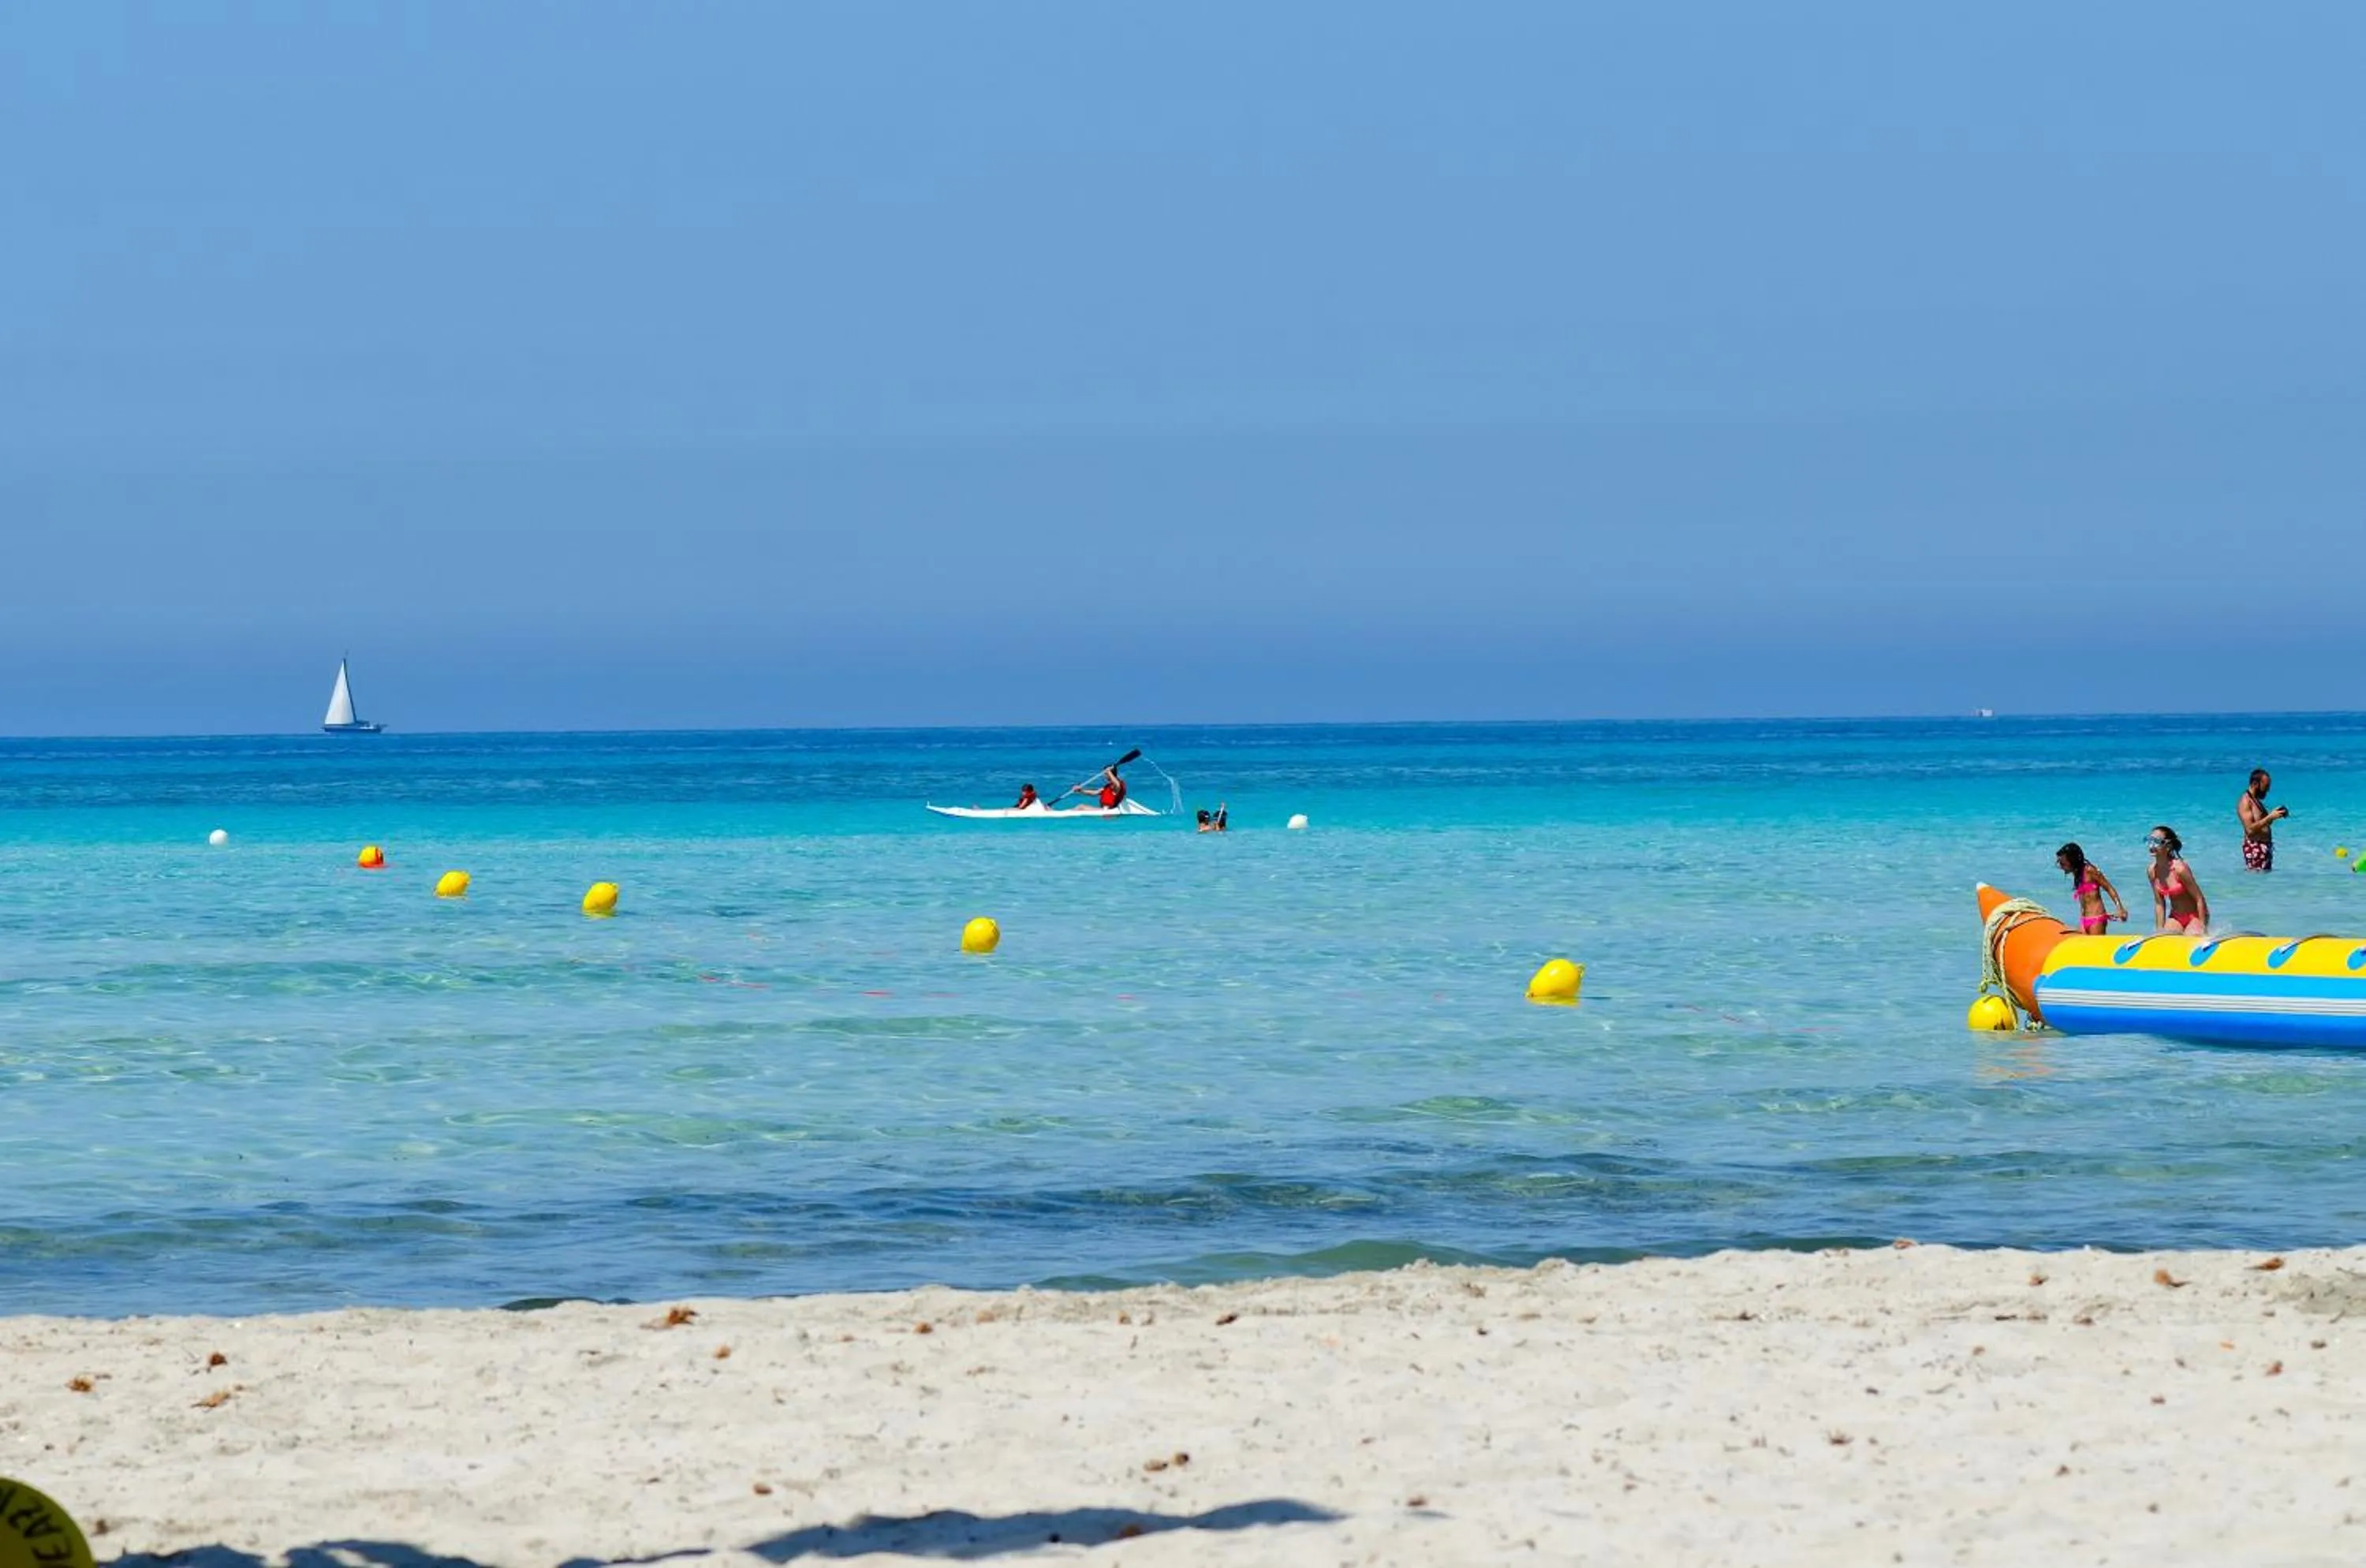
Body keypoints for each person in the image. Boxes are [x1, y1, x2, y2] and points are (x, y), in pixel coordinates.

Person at [2146, 825, 2209, 934]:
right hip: (2176, 917)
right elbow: (2159, 904)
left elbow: (2199, 899)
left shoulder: (2180, 869)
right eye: (2149, 841)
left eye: (2156, 842)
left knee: (2191, 939)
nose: (2152, 845)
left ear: (2168, 846)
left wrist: (2202, 927)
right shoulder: (2152, 871)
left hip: (2195, 916)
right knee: (2165, 940)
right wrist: (2158, 932)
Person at [2055, 842, 2129, 935]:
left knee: (2098, 948)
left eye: (2063, 863)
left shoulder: (2090, 870)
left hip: (2096, 919)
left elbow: (2109, 888)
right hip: (2084, 920)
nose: (2061, 866)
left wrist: (2120, 908)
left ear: (2072, 860)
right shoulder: (2077, 874)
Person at [2237, 768, 2288, 873]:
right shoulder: (2245, 801)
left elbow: (2265, 823)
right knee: (2255, 884)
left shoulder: (2256, 801)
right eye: (2266, 787)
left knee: (2263, 885)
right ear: (2255, 784)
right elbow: (2250, 830)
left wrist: (2275, 814)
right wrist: (2270, 817)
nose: (2268, 790)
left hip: (2264, 848)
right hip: (2255, 848)